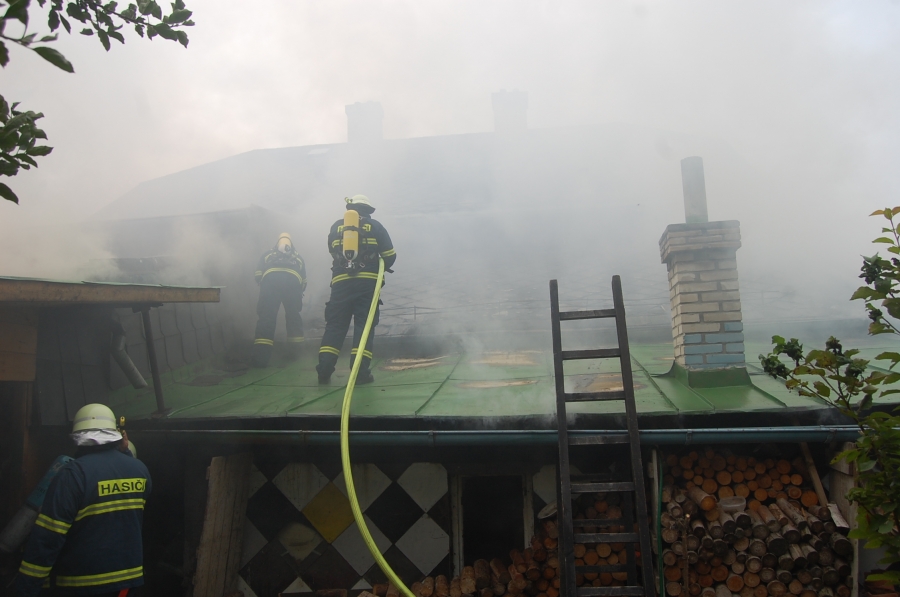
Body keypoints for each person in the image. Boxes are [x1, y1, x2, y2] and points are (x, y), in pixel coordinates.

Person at [16, 404, 151, 597]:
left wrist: (26, 590)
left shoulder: (73, 474)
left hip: (82, 585)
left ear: (78, 438)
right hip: (127, 584)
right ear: (117, 435)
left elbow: (48, 538)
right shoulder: (140, 470)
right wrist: (125, 452)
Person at [317, 195, 396, 384]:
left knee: (335, 326)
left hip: (340, 283)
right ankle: (360, 374)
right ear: (367, 211)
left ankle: (324, 371)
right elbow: (390, 255)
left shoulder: (336, 227)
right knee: (364, 326)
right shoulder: (375, 226)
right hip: (367, 284)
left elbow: (333, 252)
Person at [251, 232, 308, 367]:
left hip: (271, 283)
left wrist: (264, 285)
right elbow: (304, 282)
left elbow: (258, 275)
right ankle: (295, 355)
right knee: (293, 316)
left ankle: (261, 359)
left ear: (277, 243)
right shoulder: (298, 257)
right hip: (293, 284)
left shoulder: (268, 254)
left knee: (267, 318)